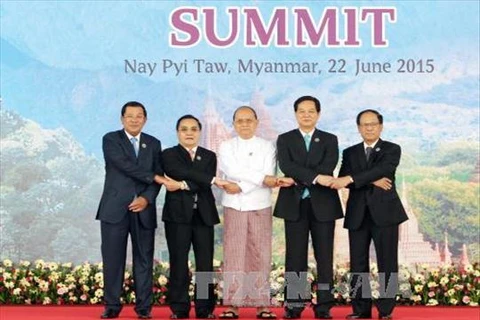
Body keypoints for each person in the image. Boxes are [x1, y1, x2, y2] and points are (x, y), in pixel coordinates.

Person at [96, 101, 175, 319]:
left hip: (143, 210)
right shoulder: (111, 139)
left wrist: (146, 199)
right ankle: (112, 306)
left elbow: (157, 173)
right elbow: (124, 165)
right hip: (113, 210)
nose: (134, 119)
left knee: (144, 260)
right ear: (122, 119)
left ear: (145, 119)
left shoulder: (153, 143)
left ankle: (143, 309)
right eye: (129, 116)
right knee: (113, 260)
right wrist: (156, 177)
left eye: (139, 116)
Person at [329, 109, 408, 320]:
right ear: (358, 128)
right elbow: (345, 177)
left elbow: (384, 170)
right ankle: (360, 309)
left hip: (386, 213)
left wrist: (355, 179)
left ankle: (386, 310)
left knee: (387, 263)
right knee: (358, 264)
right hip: (357, 213)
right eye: (364, 124)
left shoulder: (392, 149)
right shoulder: (350, 152)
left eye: (373, 124)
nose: (369, 127)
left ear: (381, 126)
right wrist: (370, 180)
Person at [274, 96, 343, 319]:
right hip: (294, 205)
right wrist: (314, 177)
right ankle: (294, 305)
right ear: (295, 114)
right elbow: (286, 165)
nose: (306, 114)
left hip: (323, 205)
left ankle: (324, 306)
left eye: (311, 111)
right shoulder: (285, 139)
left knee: (324, 257)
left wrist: (298, 177)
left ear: (318, 114)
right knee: (295, 256)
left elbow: (328, 166)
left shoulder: (329, 139)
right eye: (301, 111)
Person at [160, 114, 227, 319]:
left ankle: (204, 308)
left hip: (203, 216)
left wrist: (181, 184)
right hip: (177, 217)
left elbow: (201, 183)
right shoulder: (168, 154)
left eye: (193, 129)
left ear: (200, 132)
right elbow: (176, 170)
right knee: (178, 261)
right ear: (177, 132)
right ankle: (179, 308)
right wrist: (213, 179)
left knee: (205, 264)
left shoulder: (209, 155)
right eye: (184, 129)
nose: (189, 133)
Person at [218, 106, 278, 319]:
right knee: (233, 253)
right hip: (234, 204)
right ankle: (232, 304)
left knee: (260, 253)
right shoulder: (226, 146)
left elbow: (268, 174)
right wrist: (258, 179)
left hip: (260, 204)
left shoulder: (267, 146)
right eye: (240, 121)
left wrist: (242, 186)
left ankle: (262, 304)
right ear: (233, 123)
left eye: (249, 120)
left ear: (256, 122)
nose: (244, 124)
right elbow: (232, 170)